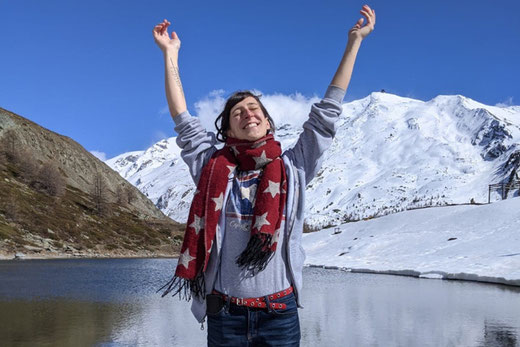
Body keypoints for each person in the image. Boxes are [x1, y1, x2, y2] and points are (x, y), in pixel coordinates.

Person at [154, 5, 375, 346]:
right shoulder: (211, 166)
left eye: (254, 107)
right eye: (237, 113)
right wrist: (171, 54)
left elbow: (326, 115)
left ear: (269, 122)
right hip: (225, 315)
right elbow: (182, 118)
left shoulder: (293, 166)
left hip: (279, 314)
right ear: (228, 130)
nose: (247, 113)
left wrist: (354, 43)